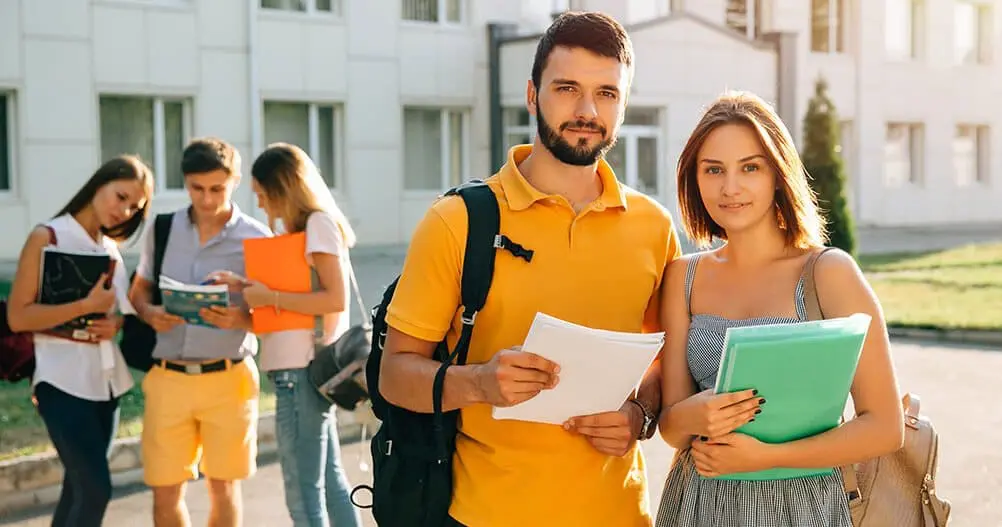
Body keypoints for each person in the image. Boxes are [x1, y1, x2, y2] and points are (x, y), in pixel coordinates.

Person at [378, 11, 684, 527]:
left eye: (607, 93)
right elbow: (394, 376)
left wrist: (640, 416)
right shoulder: (456, 221)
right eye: (567, 88)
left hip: (620, 514)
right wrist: (477, 382)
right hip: (485, 514)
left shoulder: (654, 227)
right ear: (532, 94)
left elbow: (660, 367)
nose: (587, 110)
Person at [655, 91, 905, 527]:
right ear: (694, 179)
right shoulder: (683, 277)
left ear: (777, 174)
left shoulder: (828, 273)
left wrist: (769, 458)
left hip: (803, 507)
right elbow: (672, 427)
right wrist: (695, 414)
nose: (730, 187)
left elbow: (886, 426)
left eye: (750, 167)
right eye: (713, 170)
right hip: (697, 502)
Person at [207, 143, 363, 527]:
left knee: (302, 491)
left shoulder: (318, 225)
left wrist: (269, 296)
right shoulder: (307, 229)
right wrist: (246, 289)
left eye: (263, 196)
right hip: (299, 371)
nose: (261, 206)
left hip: (301, 373)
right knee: (326, 482)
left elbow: (333, 298)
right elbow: (299, 299)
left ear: (283, 188)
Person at [127, 138, 271, 527]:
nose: (206, 199)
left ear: (235, 181)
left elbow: (277, 317)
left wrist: (241, 320)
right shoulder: (162, 228)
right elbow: (139, 290)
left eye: (217, 189)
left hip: (230, 378)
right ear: (185, 183)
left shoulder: (258, 236)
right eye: (197, 188)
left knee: (223, 487)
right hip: (168, 377)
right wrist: (149, 312)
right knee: (165, 490)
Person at [6, 155, 154, 527]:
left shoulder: (111, 250)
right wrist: (84, 305)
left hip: (107, 385)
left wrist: (114, 323)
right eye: (120, 197)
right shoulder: (47, 236)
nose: (124, 211)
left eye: (134, 207)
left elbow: (114, 313)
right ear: (98, 184)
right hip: (60, 380)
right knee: (96, 490)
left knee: (78, 489)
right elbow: (18, 316)